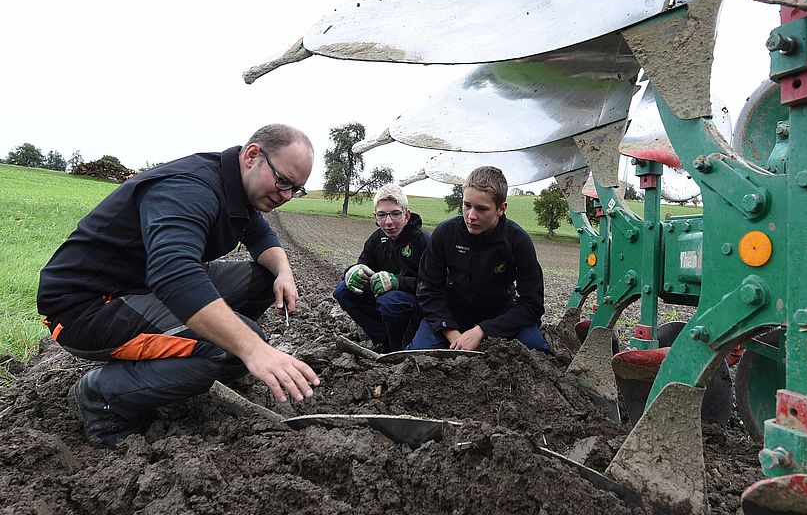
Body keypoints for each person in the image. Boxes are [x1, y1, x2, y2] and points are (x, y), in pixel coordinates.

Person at [37, 124, 321, 448]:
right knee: (237, 344)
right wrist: (252, 350)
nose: (285, 196)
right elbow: (174, 274)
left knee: (262, 280)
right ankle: (102, 395)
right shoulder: (190, 188)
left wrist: (284, 272)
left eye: (295, 189)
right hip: (86, 308)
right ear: (252, 155)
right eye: (282, 181)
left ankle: (187, 368)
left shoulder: (237, 189)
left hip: (142, 287)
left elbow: (260, 236)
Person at [411, 166, 549, 352]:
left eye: (482, 209)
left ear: (501, 208)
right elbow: (428, 290)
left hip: (499, 313)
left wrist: (483, 331)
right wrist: (453, 334)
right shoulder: (445, 234)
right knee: (419, 354)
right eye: (467, 205)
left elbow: (532, 304)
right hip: (452, 312)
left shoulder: (518, 241)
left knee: (535, 349)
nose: (471, 216)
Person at [333, 184, 429, 352]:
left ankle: (399, 347)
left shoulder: (423, 241)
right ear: (375, 217)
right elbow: (362, 264)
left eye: (395, 214)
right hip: (389, 300)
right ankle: (383, 339)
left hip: (418, 304)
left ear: (406, 215)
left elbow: (435, 285)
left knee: (390, 301)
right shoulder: (377, 239)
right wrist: (352, 271)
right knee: (343, 290)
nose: (388, 221)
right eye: (382, 215)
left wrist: (397, 282)